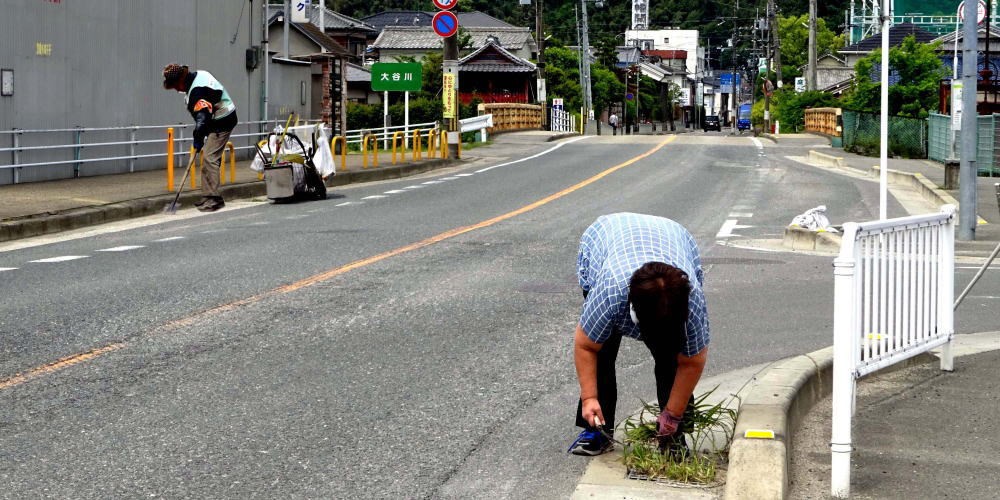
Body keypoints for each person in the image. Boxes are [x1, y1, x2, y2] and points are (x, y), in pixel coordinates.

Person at [567, 213, 710, 457]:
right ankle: (597, 431)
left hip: (673, 235)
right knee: (603, 350)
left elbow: (691, 362)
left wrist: (672, 415)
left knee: (671, 358)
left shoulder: (691, 300)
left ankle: (672, 438)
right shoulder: (611, 291)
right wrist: (589, 397)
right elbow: (587, 346)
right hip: (606, 235)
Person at [162, 63, 238, 212]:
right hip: (220, 117)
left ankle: (213, 199)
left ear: (180, 81)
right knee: (210, 158)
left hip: (222, 120)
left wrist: (198, 138)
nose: (176, 90)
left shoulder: (196, 92)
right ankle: (208, 196)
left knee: (210, 158)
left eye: (175, 86)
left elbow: (202, 118)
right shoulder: (199, 76)